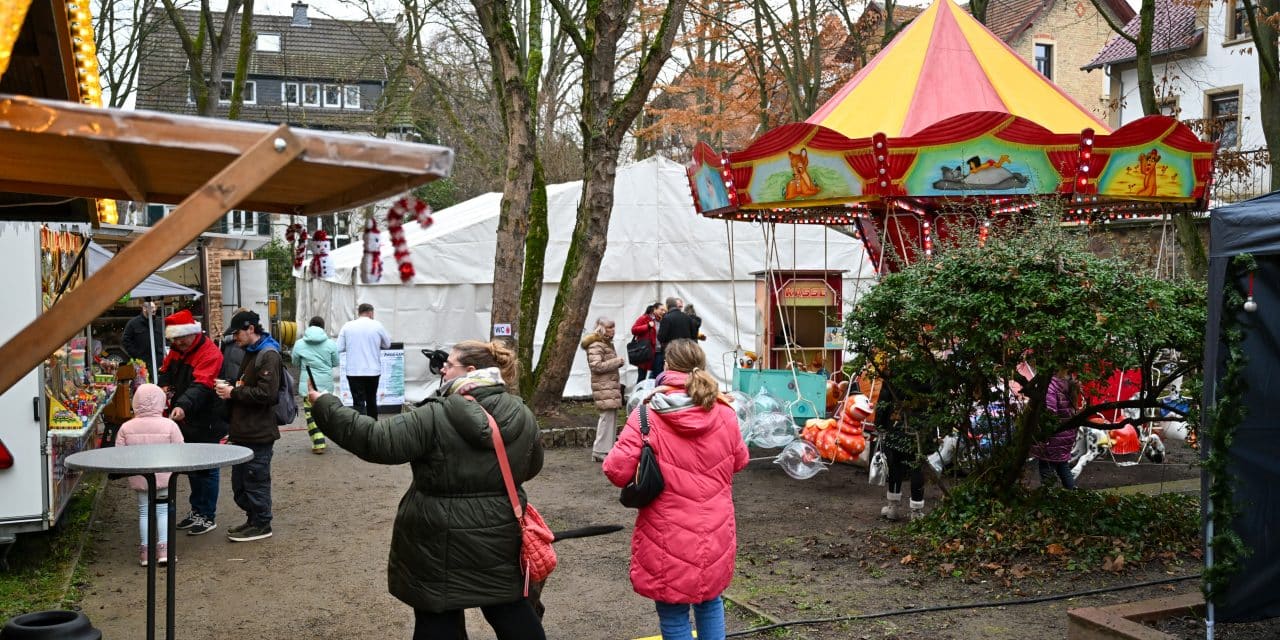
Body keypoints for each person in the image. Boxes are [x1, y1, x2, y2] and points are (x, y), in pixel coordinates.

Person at [308, 340, 545, 640]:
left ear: (470, 371)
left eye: (449, 364)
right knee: (510, 610)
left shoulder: (434, 414)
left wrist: (326, 405)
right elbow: (532, 465)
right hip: (500, 531)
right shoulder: (521, 413)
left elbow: (376, 440)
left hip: (436, 537)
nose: (443, 369)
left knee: (439, 620)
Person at [603, 339, 749, 640]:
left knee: (673, 611)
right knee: (710, 600)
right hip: (716, 526)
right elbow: (740, 461)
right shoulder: (725, 412)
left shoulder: (647, 415)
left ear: (667, 367)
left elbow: (616, 471)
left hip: (666, 530)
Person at [216, 310, 283, 543]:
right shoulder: (250, 352)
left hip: (259, 431)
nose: (235, 338)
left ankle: (262, 523)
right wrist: (231, 390)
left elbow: (268, 394)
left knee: (256, 481)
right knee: (241, 485)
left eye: (237, 333)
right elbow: (248, 385)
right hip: (244, 430)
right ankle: (253, 519)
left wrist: (234, 392)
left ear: (250, 329)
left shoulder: (268, 354)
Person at [158, 309, 225, 536]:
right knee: (193, 468)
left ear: (192, 334)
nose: (178, 343)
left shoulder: (210, 353)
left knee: (207, 468)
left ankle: (207, 515)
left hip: (207, 418)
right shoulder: (178, 350)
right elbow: (166, 370)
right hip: (187, 418)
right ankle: (198, 511)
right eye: (174, 339)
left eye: (181, 338)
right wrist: (164, 389)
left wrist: (182, 406)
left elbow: (202, 386)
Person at [116, 383, 185, 566]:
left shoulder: (126, 427)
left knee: (144, 512)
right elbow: (180, 450)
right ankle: (164, 551)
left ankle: (145, 551)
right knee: (163, 511)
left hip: (140, 476)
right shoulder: (170, 426)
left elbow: (119, 454)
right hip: (164, 477)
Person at [872, 358, 929, 521]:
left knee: (895, 466)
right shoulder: (928, 373)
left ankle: (892, 508)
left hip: (896, 426)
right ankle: (916, 512)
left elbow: (883, 400)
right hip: (920, 428)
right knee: (917, 468)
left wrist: (880, 424)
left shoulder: (895, 373)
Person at [292, 316, 340, 454]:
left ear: (309, 326)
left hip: (308, 382)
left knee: (310, 413)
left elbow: (294, 362)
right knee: (323, 410)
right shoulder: (330, 344)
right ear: (322, 327)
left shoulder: (300, 343)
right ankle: (322, 436)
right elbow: (335, 362)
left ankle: (318, 441)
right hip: (325, 383)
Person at [581, 317, 625, 463]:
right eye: (610, 327)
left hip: (608, 386)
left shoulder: (604, 344)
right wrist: (616, 362)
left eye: (613, 327)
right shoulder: (596, 345)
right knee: (606, 418)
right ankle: (600, 450)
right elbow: (596, 366)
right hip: (604, 386)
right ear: (602, 328)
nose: (613, 330)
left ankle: (607, 449)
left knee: (611, 417)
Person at [338, 303, 391, 419]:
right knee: (371, 400)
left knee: (358, 402)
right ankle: (373, 426)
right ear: (371, 312)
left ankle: (360, 429)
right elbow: (387, 344)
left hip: (353, 371)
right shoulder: (377, 325)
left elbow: (339, 347)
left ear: (359, 313)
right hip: (373, 371)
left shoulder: (347, 326)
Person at [1031, 371, 1079, 490]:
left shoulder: (1051, 385)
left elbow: (1050, 414)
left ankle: (1049, 500)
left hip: (1053, 437)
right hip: (1067, 435)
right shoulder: (1068, 381)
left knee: (1046, 468)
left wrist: (1043, 436)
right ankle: (1075, 496)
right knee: (1062, 465)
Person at [122, 301, 165, 373]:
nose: (154, 310)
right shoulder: (133, 323)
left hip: (158, 362)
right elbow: (126, 341)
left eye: (155, 307)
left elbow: (165, 338)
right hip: (141, 363)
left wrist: (162, 353)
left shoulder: (159, 323)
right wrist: (137, 354)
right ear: (144, 308)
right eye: (151, 308)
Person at [657, 296, 698, 367]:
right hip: (685, 352)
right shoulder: (687, 317)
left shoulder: (666, 318)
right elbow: (694, 335)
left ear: (667, 306)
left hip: (671, 352)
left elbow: (661, 337)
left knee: (672, 373)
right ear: (676, 305)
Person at [630, 302, 664, 381]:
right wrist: (647, 326)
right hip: (645, 352)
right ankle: (639, 392)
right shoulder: (645, 318)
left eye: (664, 310)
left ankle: (654, 392)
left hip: (658, 352)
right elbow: (634, 330)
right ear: (655, 309)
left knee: (658, 376)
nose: (663, 312)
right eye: (661, 310)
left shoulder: (662, 320)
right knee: (642, 376)